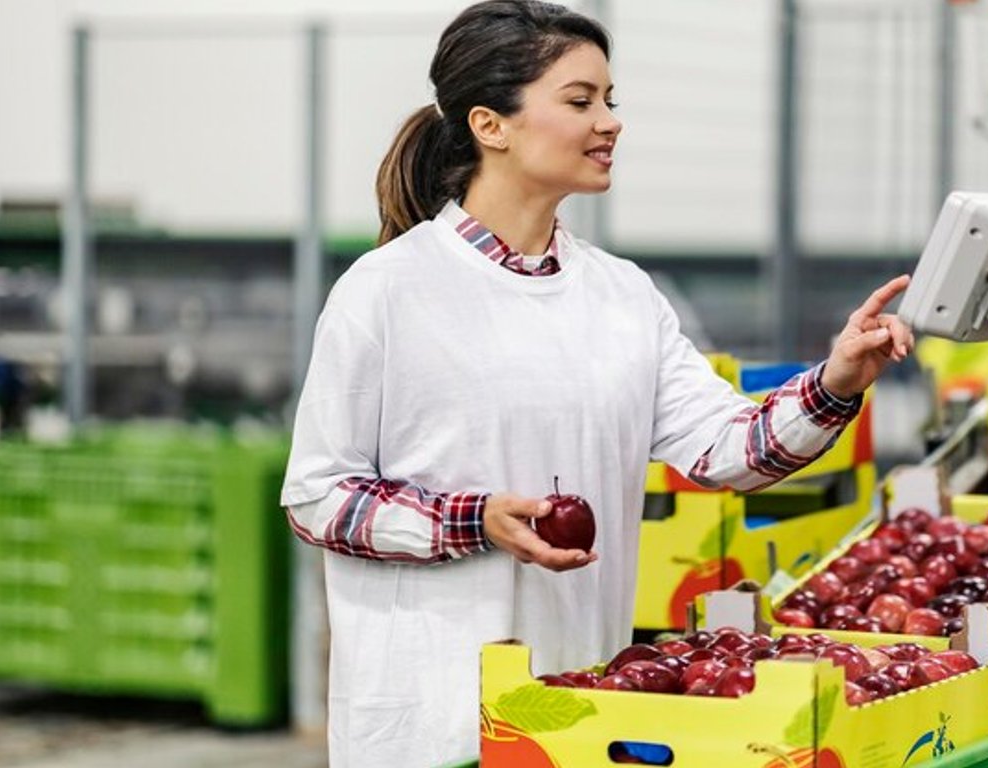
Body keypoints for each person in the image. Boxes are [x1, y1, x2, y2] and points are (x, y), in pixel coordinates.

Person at [280, 2, 914, 765]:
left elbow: (731, 452)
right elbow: (317, 495)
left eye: (610, 101)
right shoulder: (388, 290)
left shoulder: (622, 295)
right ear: (491, 125)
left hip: (583, 711)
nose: (609, 122)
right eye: (580, 101)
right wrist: (473, 521)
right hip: (432, 721)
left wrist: (838, 379)